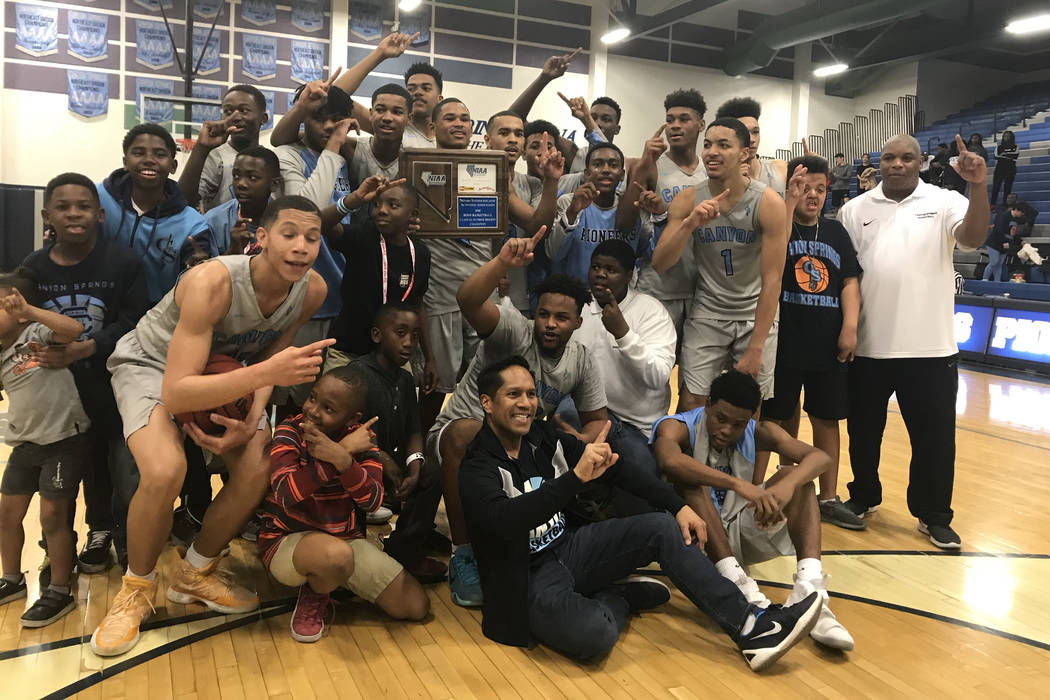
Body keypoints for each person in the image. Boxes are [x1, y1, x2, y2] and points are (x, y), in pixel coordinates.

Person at [459, 356, 822, 669]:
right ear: (487, 403)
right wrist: (575, 479)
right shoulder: (476, 466)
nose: (526, 403)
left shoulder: (543, 436)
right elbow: (506, 522)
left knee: (662, 527)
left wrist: (677, 505)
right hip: (526, 576)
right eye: (513, 395)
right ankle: (619, 597)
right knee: (594, 636)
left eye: (530, 393)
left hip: (568, 548)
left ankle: (751, 625)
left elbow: (618, 469)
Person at [90, 196, 331, 657]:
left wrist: (250, 421)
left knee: (261, 464)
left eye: (312, 238)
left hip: (227, 371)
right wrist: (264, 378)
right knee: (164, 472)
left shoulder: (312, 289)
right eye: (289, 234)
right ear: (260, 239)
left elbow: (268, 359)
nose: (301, 247)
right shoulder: (211, 282)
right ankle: (136, 592)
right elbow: (180, 391)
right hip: (152, 366)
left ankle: (194, 573)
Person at [430, 233, 609, 608]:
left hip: (517, 448)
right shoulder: (513, 330)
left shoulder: (580, 359)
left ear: (578, 322)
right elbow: (467, 300)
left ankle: (561, 545)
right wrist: (501, 264)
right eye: (543, 313)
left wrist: (579, 441)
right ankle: (464, 555)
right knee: (467, 433)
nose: (549, 323)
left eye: (561, 317)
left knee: (587, 449)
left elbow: (597, 422)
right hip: (456, 436)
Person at [837, 134, 989, 549]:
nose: (897, 164)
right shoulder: (854, 209)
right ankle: (862, 497)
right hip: (868, 345)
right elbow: (847, 277)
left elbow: (973, 238)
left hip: (931, 348)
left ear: (921, 163)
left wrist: (978, 185)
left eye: (907, 158)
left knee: (935, 439)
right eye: (889, 157)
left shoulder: (945, 201)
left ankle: (934, 514)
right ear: (878, 163)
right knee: (864, 434)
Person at [651, 369, 854, 651]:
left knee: (802, 483)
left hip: (734, 531)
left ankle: (810, 593)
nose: (727, 430)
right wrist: (738, 484)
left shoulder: (758, 431)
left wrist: (787, 485)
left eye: (737, 424)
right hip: (693, 542)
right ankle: (742, 590)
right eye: (721, 418)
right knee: (690, 483)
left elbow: (821, 457)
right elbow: (669, 461)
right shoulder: (677, 426)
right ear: (708, 403)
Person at [21, 173, 147, 574]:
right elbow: (19, 326)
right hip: (58, 392)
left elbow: (135, 321)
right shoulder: (34, 269)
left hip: (116, 383)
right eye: (63, 206)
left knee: (124, 468)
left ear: (100, 214)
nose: (74, 214)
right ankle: (65, 543)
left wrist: (89, 346)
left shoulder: (124, 261)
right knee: (67, 472)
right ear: (47, 215)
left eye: (83, 206)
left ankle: (124, 537)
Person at [259, 365, 429, 643]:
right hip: (285, 540)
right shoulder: (290, 430)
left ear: (353, 418)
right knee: (337, 557)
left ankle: (330, 577)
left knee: (415, 606)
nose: (313, 410)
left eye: (329, 408)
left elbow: (372, 501)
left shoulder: (364, 441)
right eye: (312, 397)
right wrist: (342, 453)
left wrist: (344, 460)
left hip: (344, 542)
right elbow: (286, 493)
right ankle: (316, 592)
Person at [651, 118, 790, 411]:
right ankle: (691, 459)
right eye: (708, 144)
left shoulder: (768, 203)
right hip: (708, 311)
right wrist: (690, 224)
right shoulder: (688, 199)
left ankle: (740, 460)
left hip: (755, 314)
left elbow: (773, 280)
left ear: (745, 154)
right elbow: (660, 263)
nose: (711, 152)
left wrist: (756, 347)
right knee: (692, 402)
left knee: (748, 407)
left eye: (723, 145)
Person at [757, 156, 864, 530]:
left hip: (826, 344)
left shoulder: (835, 233)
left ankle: (828, 496)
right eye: (805, 188)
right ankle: (767, 487)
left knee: (826, 419)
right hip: (783, 343)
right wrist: (787, 200)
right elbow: (774, 252)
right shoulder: (778, 224)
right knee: (775, 419)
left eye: (820, 189)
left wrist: (849, 327)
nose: (814, 196)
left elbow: (850, 281)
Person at [0, 270, 90, 628]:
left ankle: (59, 590)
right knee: (6, 515)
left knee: (52, 518)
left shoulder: (35, 334)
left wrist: (31, 313)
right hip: (25, 444)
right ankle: (11, 579)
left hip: (62, 442)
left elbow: (73, 331)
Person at [273, 83, 357, 412]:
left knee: (331, 403)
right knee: (291, 402)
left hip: (342, 296)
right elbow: (307, 210)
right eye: (319, 118)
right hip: (300, 300)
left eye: (337, 120)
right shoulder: (287, 155)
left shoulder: (349, 159)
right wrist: (335, 144)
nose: (327, 127)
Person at [349, 304, 447, 583]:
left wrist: (414, 466)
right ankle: (350, 543)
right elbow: (348, 433)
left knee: (431, 472)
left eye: (415, 336)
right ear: (378, 335)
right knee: (350, 470)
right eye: (401, 333)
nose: (409, 343)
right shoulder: (357, 374)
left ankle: (405, 547)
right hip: (357, 460)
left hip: (389, 461)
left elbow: (414, 430)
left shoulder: (405, 379)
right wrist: (382, 459)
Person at [573, 241, 676, 499]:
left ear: (630, 276)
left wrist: (623, 333)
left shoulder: (651, 312)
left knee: (641, 483)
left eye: (611, 269)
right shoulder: (579, 307)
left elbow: (658, 376)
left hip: (636, 426)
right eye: (595, 266)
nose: (600, 274)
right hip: (588, 414)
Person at [621, 90, 709, 343]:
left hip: (700, 289)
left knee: (693, 373)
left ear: (701, 124)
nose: (675, 126)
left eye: (684, 119)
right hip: (658, 286)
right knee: (653, 371)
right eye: (670, 120)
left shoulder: (709, 170)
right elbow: (624, 223)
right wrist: (643, 164)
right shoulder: (652, 165)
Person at [96, 124, 213, 305]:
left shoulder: (193, 225)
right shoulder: (96, 199)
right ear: (125, 162)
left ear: (173, 166)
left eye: (159, 154)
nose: (149, 160)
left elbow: (201, 278)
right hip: (98, 309)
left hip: (157, 319)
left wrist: (198, 270)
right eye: (139, 153)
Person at [547, 143, 645, 286]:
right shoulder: (568, 202)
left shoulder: (632, 207)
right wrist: (572, 212)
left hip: (618, 298)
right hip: (577, 297)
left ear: (622, 175)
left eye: (613, 165)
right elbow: (553, 253)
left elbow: (644, 253)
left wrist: (658, 215)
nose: (606, 170)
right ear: (587, 173)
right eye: (598, 164)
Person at [179, 84, 269, 211]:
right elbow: (183, 201)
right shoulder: (215, 156)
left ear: (263, 118)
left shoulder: (270, 159)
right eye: (228, 111)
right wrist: (201, 148)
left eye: (244, 110)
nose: (235, 117)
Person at [203, 146, 282, 255]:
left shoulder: (285, 222)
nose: (241, 184)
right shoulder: (214, 221)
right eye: (236, 176)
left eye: (252, 177)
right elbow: (209, 270)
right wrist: (232, 250)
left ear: (274, 184)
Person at [714, 97, 786, 196]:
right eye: (744, 133)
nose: (752, 139)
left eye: (755, 132)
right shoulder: (721, 178)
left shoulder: (780, 168)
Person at [991, 130, 1019, 204]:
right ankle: (992, 204)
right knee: (996, 187)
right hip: (999, 168)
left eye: (1008, 136)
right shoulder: (999, 147)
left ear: (1011, 137)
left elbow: (1015, 156)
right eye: (1005, 136)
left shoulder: (1015, 147)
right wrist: (1007, 155)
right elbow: (996, 156)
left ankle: (1005, 204)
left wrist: (1004, 154)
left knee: (1007, 188)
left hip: (1010, 169)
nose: (1006, 137)